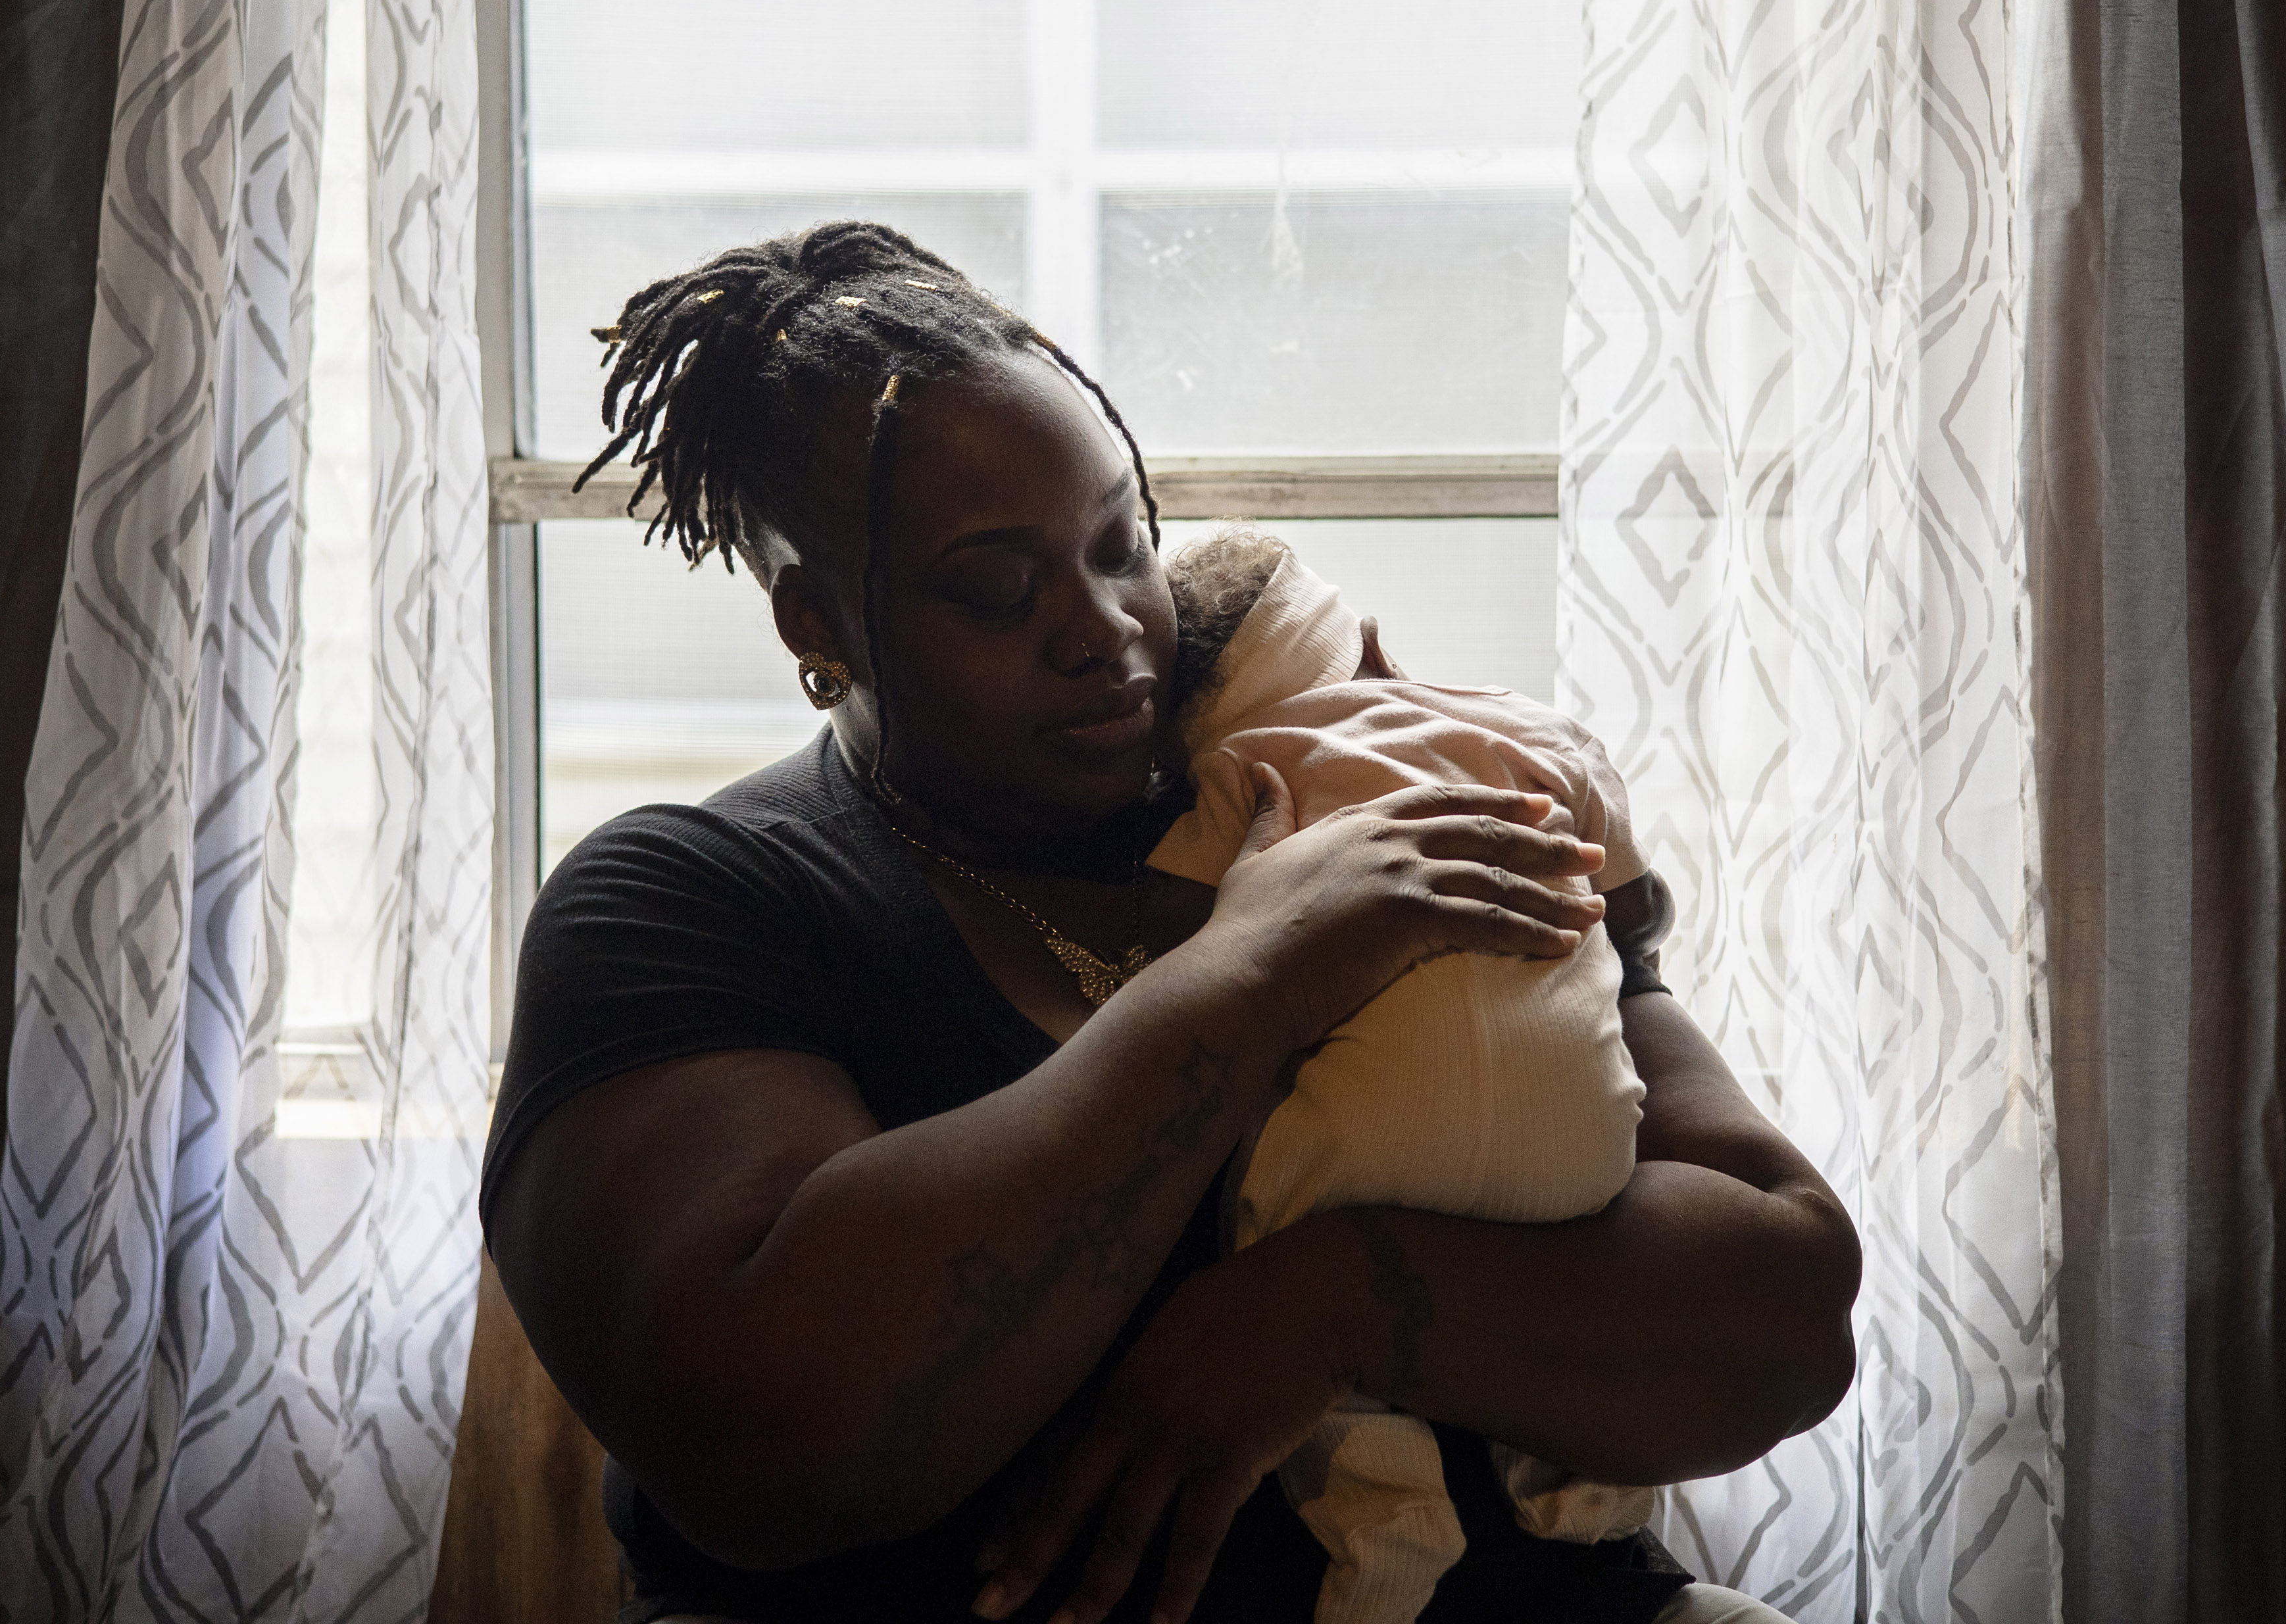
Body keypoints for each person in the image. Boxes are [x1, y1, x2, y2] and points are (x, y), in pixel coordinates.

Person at [480, 221, 1861, 1624]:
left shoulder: (1336, 793)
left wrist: (1330, 1310)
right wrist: (1254, 972)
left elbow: (1789, 1323)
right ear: (815, 621)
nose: (1104, 629)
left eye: (1121, 545)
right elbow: (767, 1444)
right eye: (999, 589)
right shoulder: (691, 904)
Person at [1151, 529, 1652, 1624]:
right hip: (1584, 1151)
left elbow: (1184, 944)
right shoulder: (1517, 721)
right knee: (1560, 1302)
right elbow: (1631, 891)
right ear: (1374, 645)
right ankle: (1589, 1490)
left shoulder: (1243, 770)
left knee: (1277, 1265)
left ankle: (1385, 1535)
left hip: (1360, 1151)